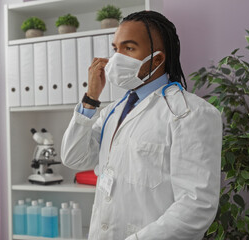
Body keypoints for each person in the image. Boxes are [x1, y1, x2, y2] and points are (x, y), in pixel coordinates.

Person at [61, 10, 222, 240]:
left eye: (129, 48)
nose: (116, 58)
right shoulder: (113, 111)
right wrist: (90, 97)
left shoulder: (190, 113)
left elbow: (196, 207)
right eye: (116, 49)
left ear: (157, 59)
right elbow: (73, 157)